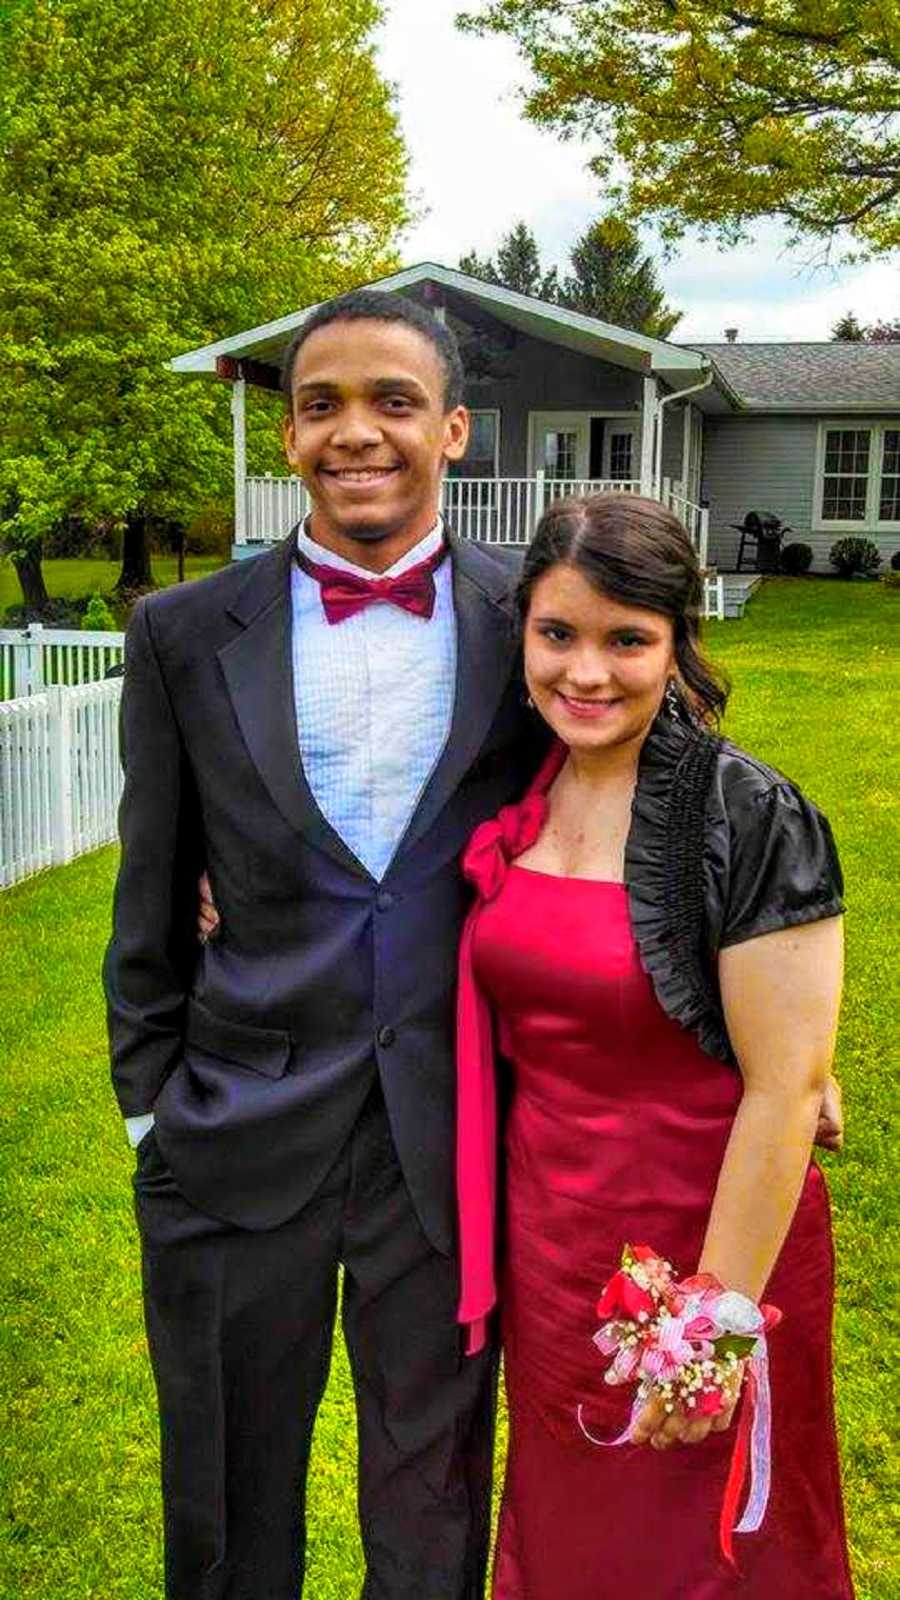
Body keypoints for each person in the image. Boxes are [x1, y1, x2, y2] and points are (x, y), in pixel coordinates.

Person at [103, 290, 544, 1600]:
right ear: (288, 438)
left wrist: (770, 1026)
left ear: (454, 430)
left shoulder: (540, 625)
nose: (357, 432)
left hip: (450, 1136)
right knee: (229, 1500)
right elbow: (150, 882)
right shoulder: (184, 635)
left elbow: (658, 823)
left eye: (393, 402)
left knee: (434, 1500)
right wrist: (150, 1109)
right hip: (234, 1123)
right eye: (321, 404)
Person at [454, 492, 855, 1598]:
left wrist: (711, 1323)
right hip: (551, 1239)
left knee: (707, 1550)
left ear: (678, 642)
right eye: (558, 634)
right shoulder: (512, 789)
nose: (587, 672)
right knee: (573, 1526)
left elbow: (786, 1089)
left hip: (713, 1240)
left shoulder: (751, 814)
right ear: (522, 635)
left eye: (628, 639)